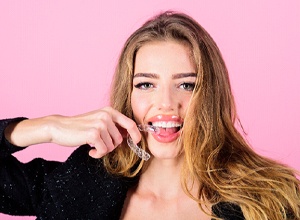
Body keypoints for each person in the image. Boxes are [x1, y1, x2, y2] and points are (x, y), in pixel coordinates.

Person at [1, 11, 299, 220]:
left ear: (210, 94)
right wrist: (45, 128)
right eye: (146, 84)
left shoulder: (273, 198)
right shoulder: (76, 183)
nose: (166, 104)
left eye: (186, 85)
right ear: (127, 97)